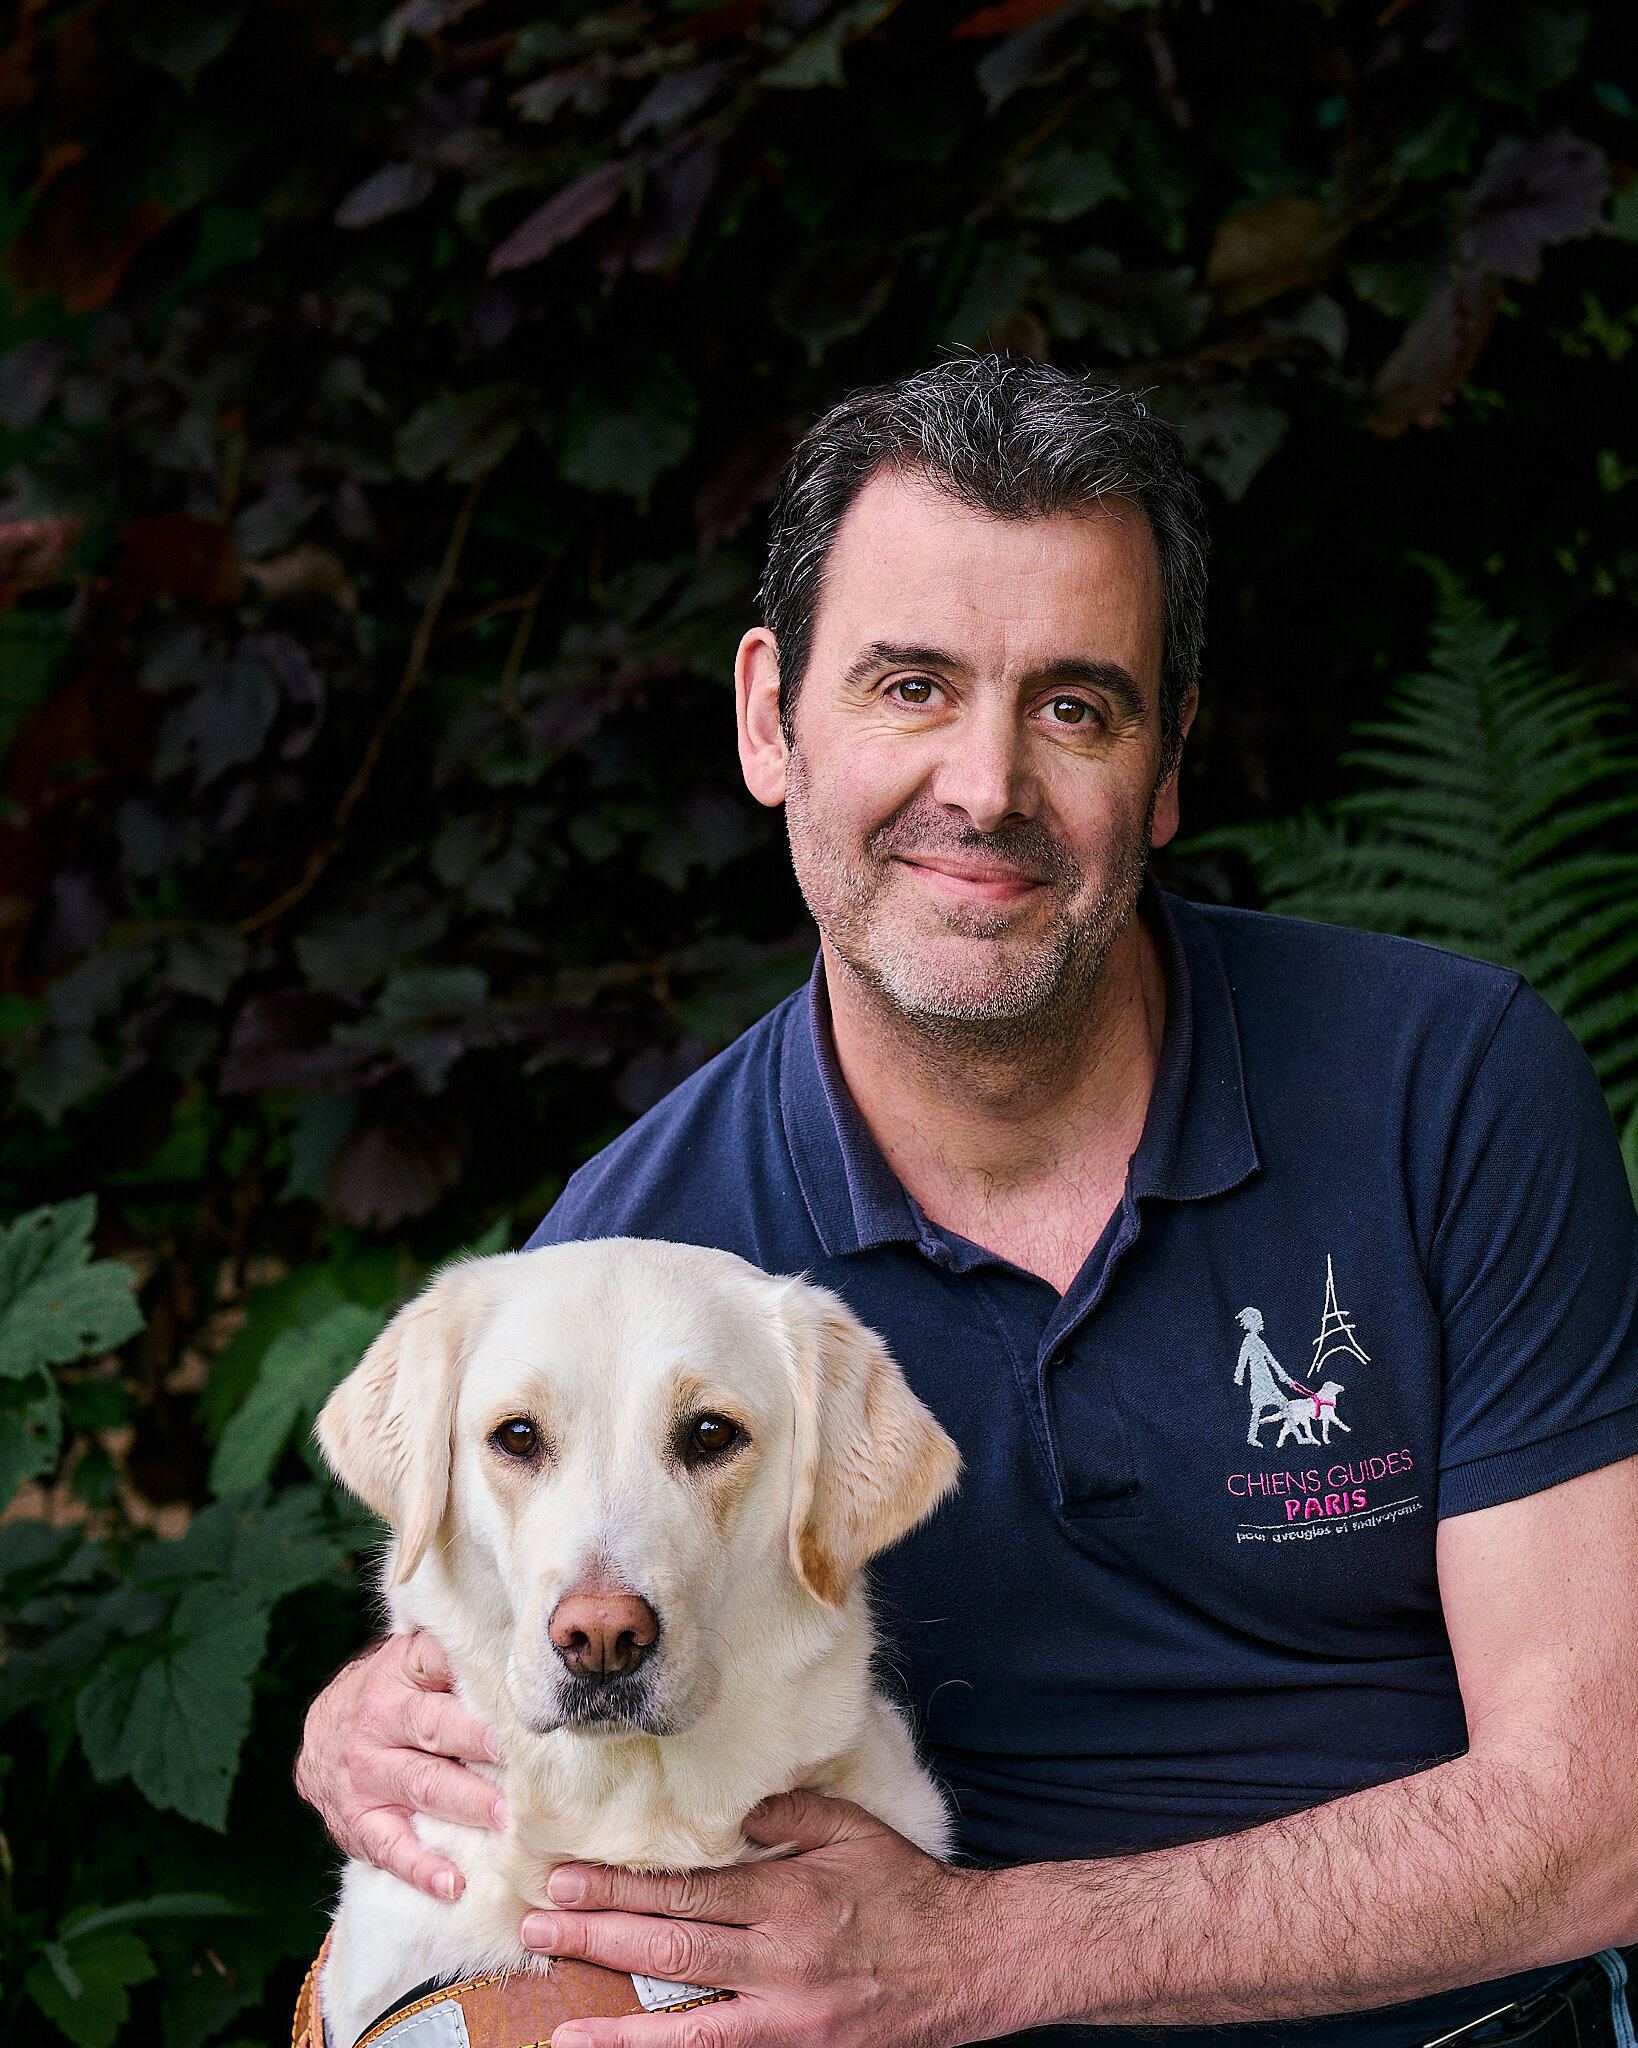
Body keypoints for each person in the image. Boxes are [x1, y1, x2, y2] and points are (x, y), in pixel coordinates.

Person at [295, 358, 1638, 2048]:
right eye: (911, 687)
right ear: (768, 717)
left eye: (1074, 705)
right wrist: (373, 1714)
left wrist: (991, 1953)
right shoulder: (643, 1268)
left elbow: (1607, 1815)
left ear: (1165, 766)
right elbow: (543, 1628)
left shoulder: (1442, 1089)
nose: (987, 786)